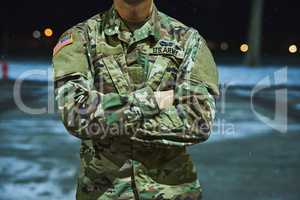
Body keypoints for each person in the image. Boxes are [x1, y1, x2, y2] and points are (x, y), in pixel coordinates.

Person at [53, 0, 219, 199]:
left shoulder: (188, 40)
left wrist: (109, 119)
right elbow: (76, 114)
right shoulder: (80, 38)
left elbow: (199, 120)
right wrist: (155, 101)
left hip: (174, 192)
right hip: (104, 193)